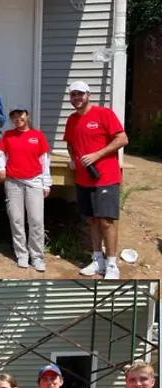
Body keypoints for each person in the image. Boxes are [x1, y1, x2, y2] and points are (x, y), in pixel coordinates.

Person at [65, 81, 130, 280]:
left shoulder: (104, 114)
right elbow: (70, 143)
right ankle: (97, 260)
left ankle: (112, 264)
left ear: (88, 95)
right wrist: (74, 160)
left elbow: (122, 139)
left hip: (105, 177)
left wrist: (96, 155)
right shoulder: (72, 120)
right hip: (84, 179)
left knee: (106, 221)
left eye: (80, 94)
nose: (76, 98)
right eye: (73, 94)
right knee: (92, 220)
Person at [0, 106, 52, 272]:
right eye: (13, 116)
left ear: (27, 115)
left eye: (20, 114)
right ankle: (22, 254)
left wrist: (46, 183)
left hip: (34, 182)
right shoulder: (8, 135)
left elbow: (44, 161)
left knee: (36, 221)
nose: (17, 118)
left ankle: (37, 256)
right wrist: (1, 168)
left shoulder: (38, 136)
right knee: (16, 219)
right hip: (13, 182)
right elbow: (0, 154)